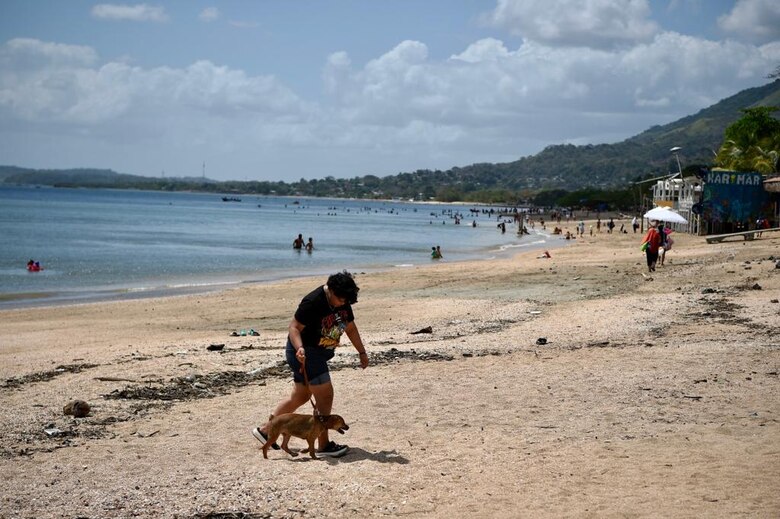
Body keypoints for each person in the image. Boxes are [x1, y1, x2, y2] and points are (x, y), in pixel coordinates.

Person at [252, 271, 368, 458]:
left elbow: (351, 328)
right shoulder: (313, 302)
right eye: (340, 299)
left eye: (347, 301)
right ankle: (323, 445)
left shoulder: (343, 301)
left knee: (300, 396)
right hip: (305, 354)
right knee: (325, 395)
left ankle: (265, 431)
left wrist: (362, 352)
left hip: (318, 354)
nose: (343, 304)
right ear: (330, 289)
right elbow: (294, 328)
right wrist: (300, 348)